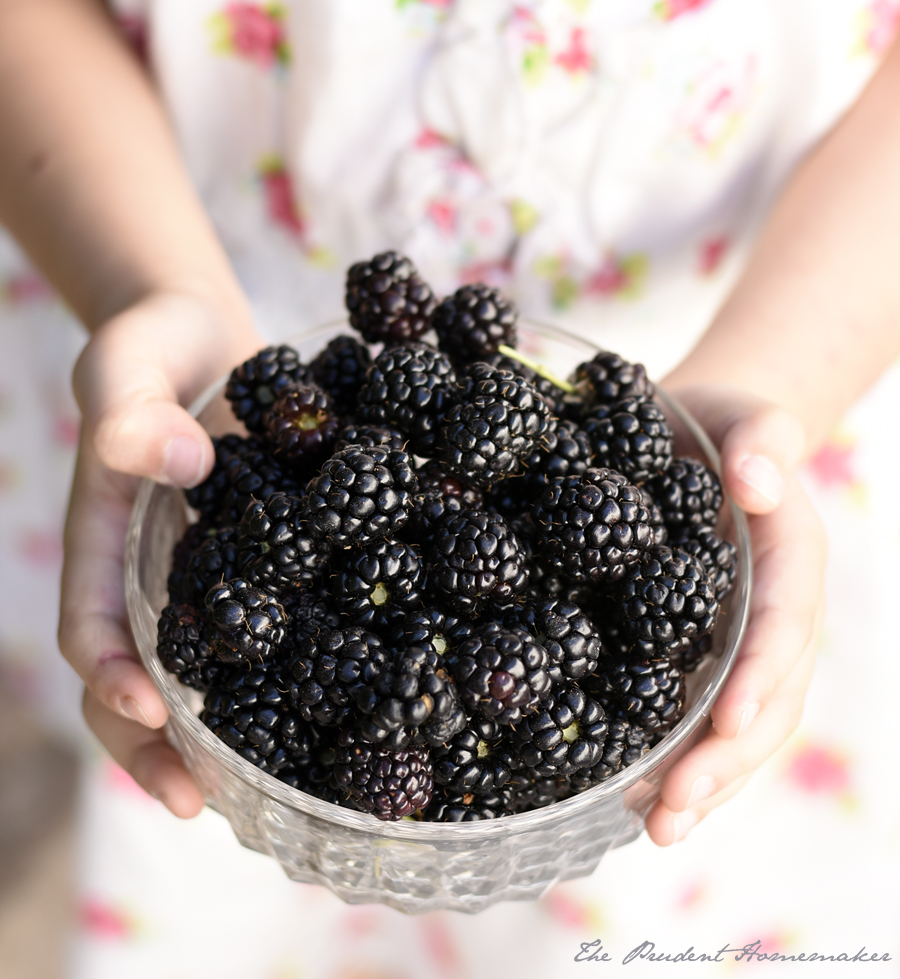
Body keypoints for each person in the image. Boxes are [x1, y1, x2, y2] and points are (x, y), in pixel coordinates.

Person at [0, 0, 897, 973]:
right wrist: (149, 285)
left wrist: (777, 380)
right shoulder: (350, 504)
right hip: (168, 259)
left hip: (776, 304)